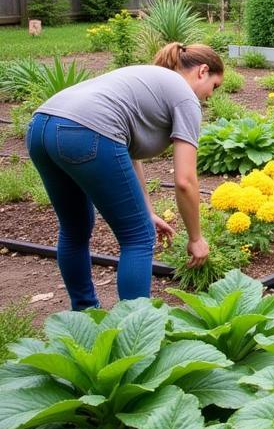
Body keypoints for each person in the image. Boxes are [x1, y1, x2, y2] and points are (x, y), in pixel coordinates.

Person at [26, 42, 223, 310]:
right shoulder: (185, 97)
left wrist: (147, 209)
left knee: (75, 228)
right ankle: (135, 330)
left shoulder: (149, 79)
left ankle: (85, 315)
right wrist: (196, 239)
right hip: (83, 131)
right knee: (139, 237)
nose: (210, 97)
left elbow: (127, 154)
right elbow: (185, 181)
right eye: (214, 86)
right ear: (202, 71)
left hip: (41, 127)